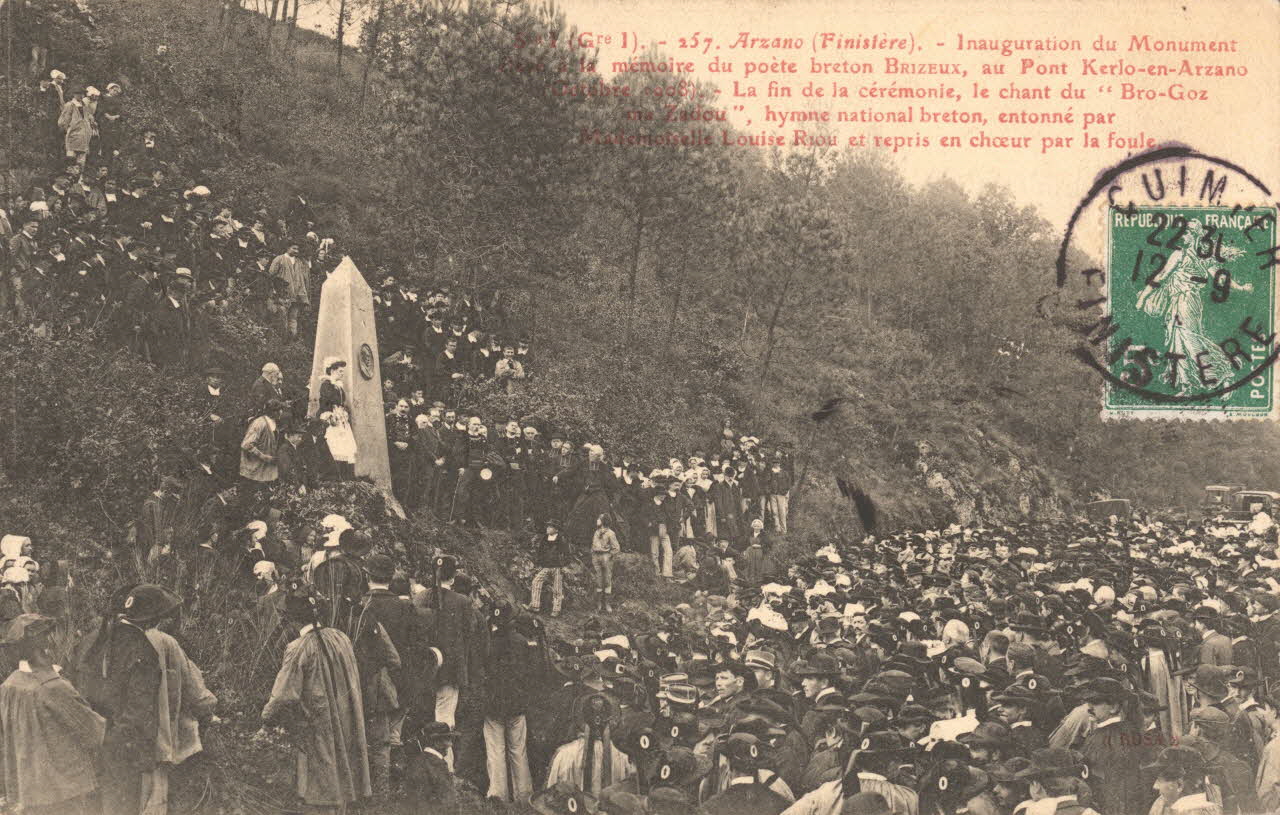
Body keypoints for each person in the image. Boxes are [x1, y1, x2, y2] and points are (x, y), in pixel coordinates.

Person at [262, 585, 371, 813]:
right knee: (344, 781)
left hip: (319, 726)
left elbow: (283, 695)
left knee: (322, 786)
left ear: (291, 619)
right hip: (348, 720)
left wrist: (265, 719)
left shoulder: (298, 647)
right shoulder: (341, 638)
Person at [72, 585, 166, 815]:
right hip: (121, 747)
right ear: (153, 619)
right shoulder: (143, 649)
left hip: (87, 739)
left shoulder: (92, 639)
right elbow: (140, 710)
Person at [0, 614, 105, 815]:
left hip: (27, 788)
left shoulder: (9, 685)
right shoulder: (53, 687)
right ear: (44, 646)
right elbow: (94, 732)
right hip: (62, 789)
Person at [142, 590, 219, 815]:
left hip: (122, 736)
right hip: (157, 734)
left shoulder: (117, 636)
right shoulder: (165, 641)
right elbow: (194, 689)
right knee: (156, 797)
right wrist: (208, 710)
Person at [482, 610, 540, 803]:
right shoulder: (521, 641)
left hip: (493, 704)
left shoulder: (488, 642)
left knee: (495, 751)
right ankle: (524, 796)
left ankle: (498, 796)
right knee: (518, 751)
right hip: (516, 702)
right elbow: (530, 673)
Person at [318, 358, 357, 479]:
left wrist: (343, 412)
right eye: (340, 371)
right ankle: (333, 476)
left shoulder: (338, 386)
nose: (342, 373)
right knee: (334, 445)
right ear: (332, 370)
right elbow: (324, 402)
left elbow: (341, 402)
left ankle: (344, 476)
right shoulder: (326, 384)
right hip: (332, 419)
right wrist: (329, 416)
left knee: (344, 447)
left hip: (341, 418)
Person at [530, 520, 571, 617]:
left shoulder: (561, 540)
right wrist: (539, 563)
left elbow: (567, 554)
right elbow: (540, 552)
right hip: (546, 566)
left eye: (550, 527)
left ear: (556, 530)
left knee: (557, 589)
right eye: (547, 526)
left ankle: (556, 610)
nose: (547, 528)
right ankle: (535, 606)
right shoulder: (544, 539)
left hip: (557, 567)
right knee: (536, 582)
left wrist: (564, 565)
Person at [269, 243, 310, 337]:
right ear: (287, 248)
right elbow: (271, 275)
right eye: (294, 248)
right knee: (282, 317)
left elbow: (303, 279)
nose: (296, 251)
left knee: (293, 318)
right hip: (283, 295)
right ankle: (282, 340)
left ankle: (292, 341)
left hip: (296, 296)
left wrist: (304, 296)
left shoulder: (299, 262)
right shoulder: (279, 259)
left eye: (297, 249)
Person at [240, 399, 284, 486]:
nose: (281, 412)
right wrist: (263, 456)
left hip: (267, 469)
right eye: (279, 410)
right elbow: (246, 444)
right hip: (255, 469)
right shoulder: (259, 423)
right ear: (273, 412)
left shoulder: (274, 422)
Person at [591, 514, 621, 613]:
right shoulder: (596, 532)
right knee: (598, 580)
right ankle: (598, 604)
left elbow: (616, 548)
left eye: (599, 519)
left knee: (607, 580)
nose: (597, 520)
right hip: (596, 557)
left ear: (603, 521)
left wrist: (609, 555)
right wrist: (593, 555)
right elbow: (594, 545)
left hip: (606, 557)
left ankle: (607, 604)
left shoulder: (610, 533)